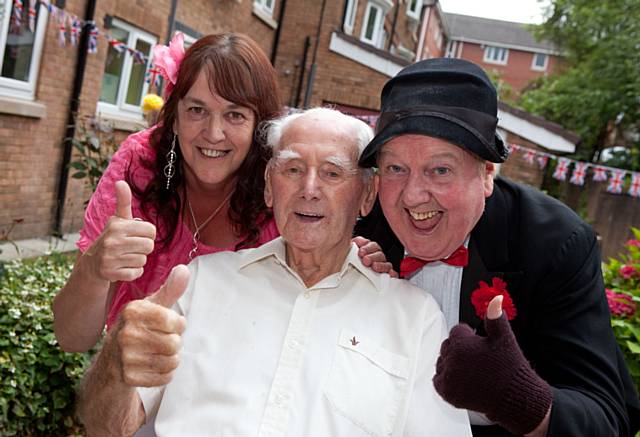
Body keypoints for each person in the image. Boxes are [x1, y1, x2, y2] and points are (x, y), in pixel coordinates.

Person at [77, 107, 472, 436]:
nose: (309, 188)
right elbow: (105, 427)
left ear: (366, 195)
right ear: (269, 187)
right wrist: (116, 362)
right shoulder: (199, 282)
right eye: (292, 169)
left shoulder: (416, 320)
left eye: (333, 173)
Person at [355, 58, 640, 436]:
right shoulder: (361, 223)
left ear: (486, 175)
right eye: (395, 168)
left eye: (440, 169)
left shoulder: (553, 243)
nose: (412, 195)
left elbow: (608, 418)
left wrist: (519, 398)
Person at [52, 33, 390, 353]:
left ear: (260, 127)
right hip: (132, 383)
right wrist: (95, 269)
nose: (214, 133)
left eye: (234, 115)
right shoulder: (139, 164)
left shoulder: (284, 196)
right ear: (175, 117)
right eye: (197, 110)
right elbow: (72, 338)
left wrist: (345, 256)